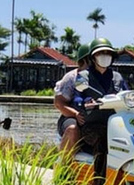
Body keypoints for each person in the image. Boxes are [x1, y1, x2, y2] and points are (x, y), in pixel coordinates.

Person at [77, 38, 126, 177]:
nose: (105, 56)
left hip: (116, 124)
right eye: (101, 53)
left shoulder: (117, 77)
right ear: (93, 57)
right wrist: (85, 101)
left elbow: (127, 93)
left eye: (108, 53)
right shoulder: (83, 76)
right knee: (104, 140)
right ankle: (99, 181)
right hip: (92, 125)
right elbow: (76, 97)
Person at [53, 43, 91, 154]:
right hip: (73, 117)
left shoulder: (109, 77)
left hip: (96, 118)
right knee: (72, 129)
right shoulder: (72, 77)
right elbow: (59, 103)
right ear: (84, 60)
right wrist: (75, 114)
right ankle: (63, 166)